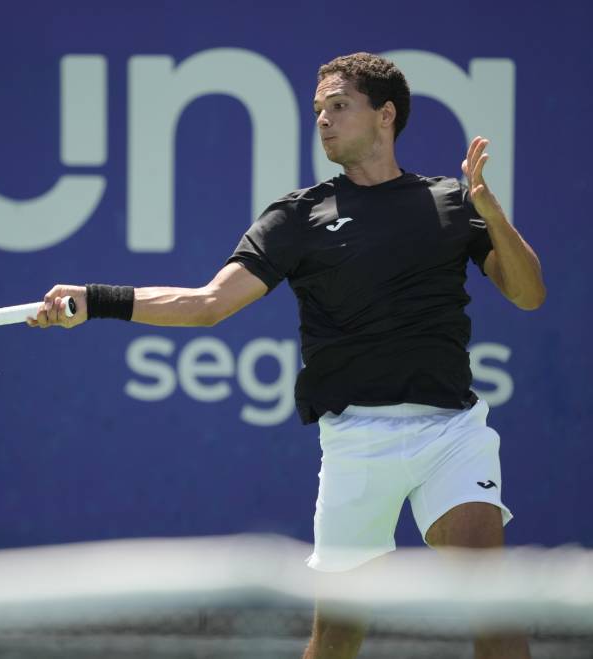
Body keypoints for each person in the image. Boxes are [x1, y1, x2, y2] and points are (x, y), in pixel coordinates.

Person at [30, 52, 544, 659]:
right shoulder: (298, 216)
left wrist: (494, 217)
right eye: (317, 110)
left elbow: (528, 294)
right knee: (337, 639)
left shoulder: (454, 202)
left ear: (385, 116)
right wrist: (97, 300)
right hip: (356, 443)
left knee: (496, 616)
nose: (323, 121)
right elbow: (209, 303)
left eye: (339, 106)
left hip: (452, 433)